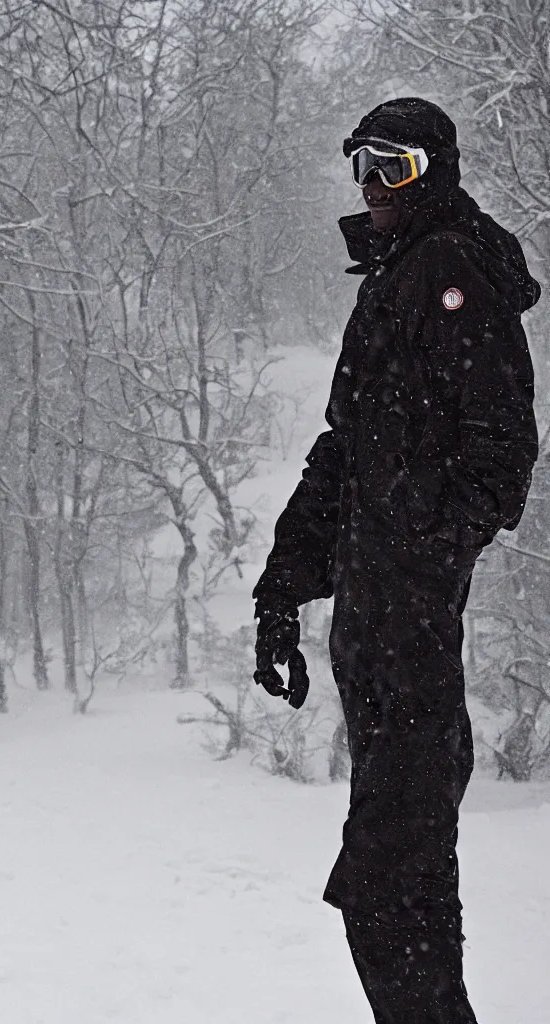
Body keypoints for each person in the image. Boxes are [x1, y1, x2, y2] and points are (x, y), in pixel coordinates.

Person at [252, 98, 539, 1022]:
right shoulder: (394, 281)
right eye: (363, 166)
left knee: (389, 892)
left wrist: (420, 555)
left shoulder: (450, 274)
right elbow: (344, 455)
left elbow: (501, 461)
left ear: (436, 172)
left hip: (410, 639)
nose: (375, 188)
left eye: (397, 167)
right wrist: (283, 591)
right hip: (379, 639)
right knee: (404, 894)